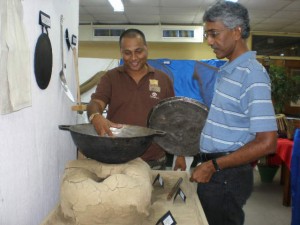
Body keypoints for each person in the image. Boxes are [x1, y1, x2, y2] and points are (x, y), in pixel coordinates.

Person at [190, 1, 278, 225]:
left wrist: (213, 166)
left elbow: (267, 142)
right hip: (215, 169)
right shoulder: (228, 70)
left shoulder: (252, 75)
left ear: (237, 31)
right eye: (207, 34)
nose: (209, 41)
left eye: (214, 34)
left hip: (225, 175)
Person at [86, 28, 176, 170]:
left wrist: (180, 154)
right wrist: (95, 116)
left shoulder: (163, 79)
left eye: (138, 51)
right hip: (118, 159)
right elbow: (96, 102)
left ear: (146, 49)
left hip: (154, 160)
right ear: (121, 52)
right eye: (127, 53)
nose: (133, 58)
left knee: (155, 193)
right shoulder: (110, 78)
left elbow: (173, 118)